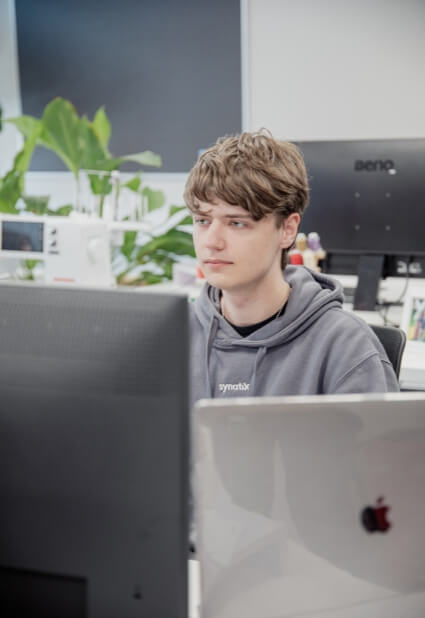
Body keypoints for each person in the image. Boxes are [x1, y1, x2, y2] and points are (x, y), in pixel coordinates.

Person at [184, 130, 399, 405]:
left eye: (237, 223)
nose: (211, 242)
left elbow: (377, 448)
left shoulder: (345, 346)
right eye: (202, 221)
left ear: (287, 229)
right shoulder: (172, 339)